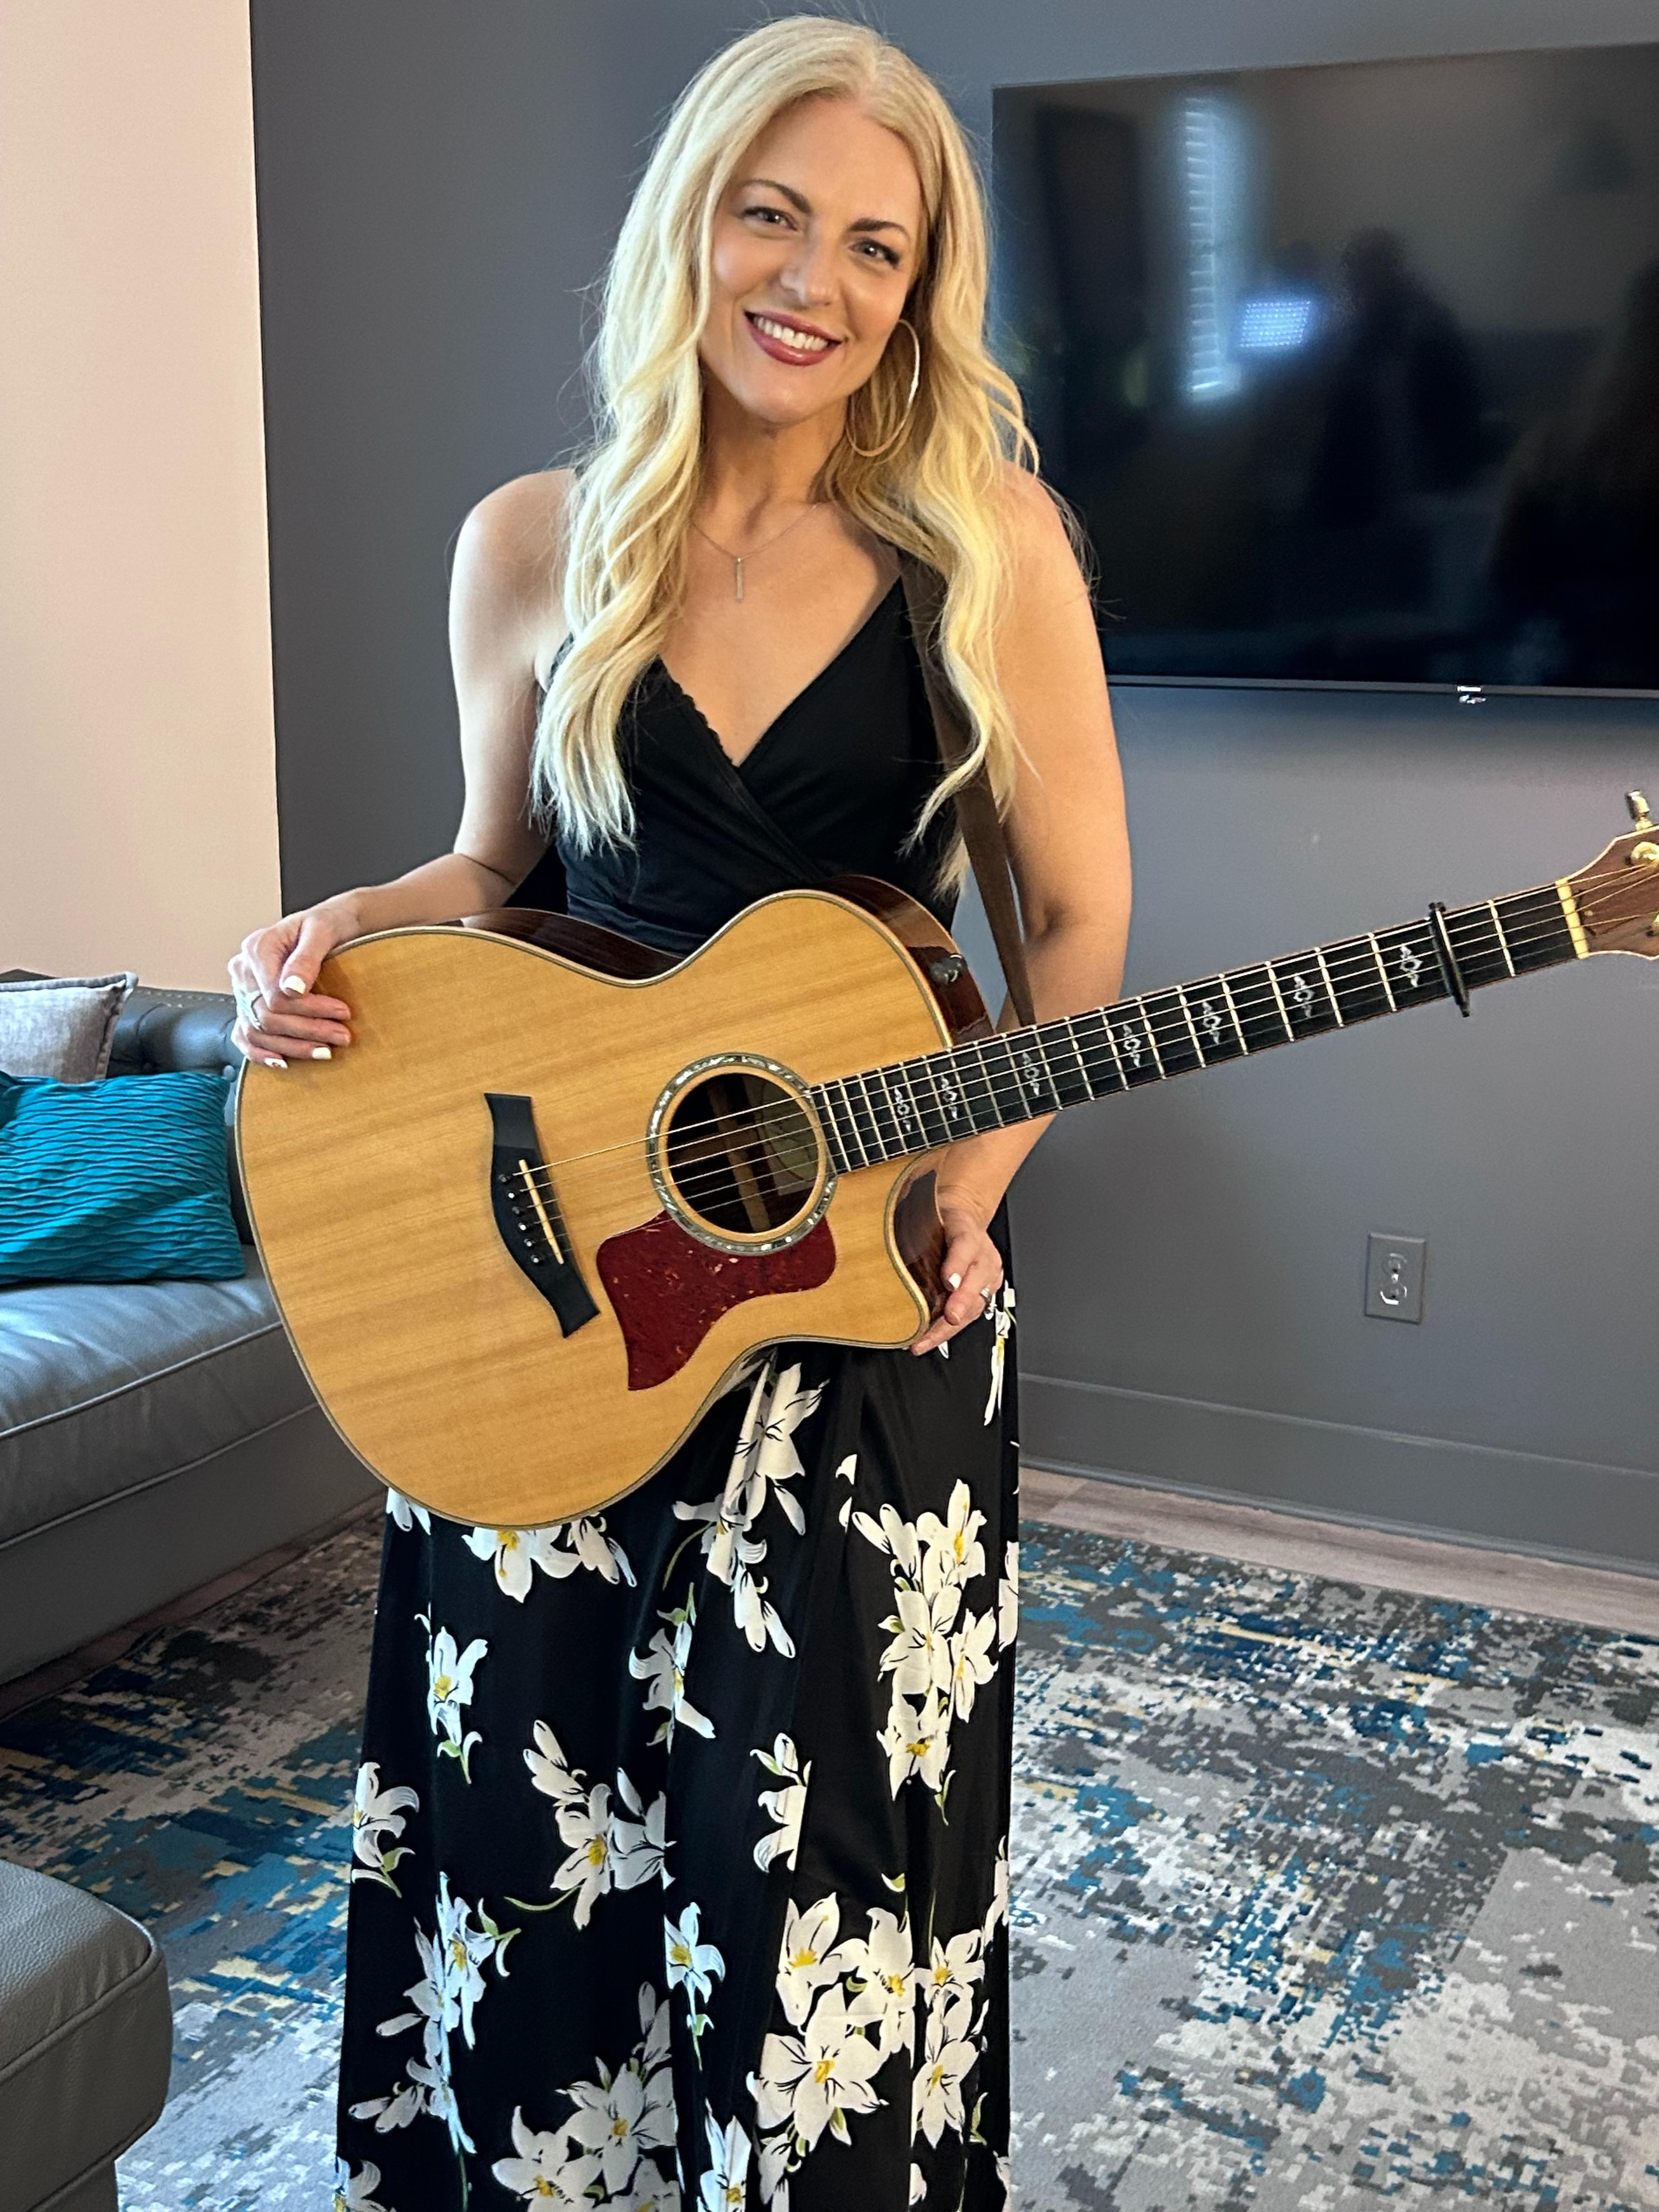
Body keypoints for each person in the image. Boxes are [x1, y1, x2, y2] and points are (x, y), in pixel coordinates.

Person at [229, 19, 1129, 2208]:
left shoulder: (990, 548)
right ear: (689, 225)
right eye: (771, 216)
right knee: (539, 1835)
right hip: (537, 1293)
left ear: (921, 290)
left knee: (814, 1866)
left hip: (855, 1286)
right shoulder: (532, 542)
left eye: (877, 248)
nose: (814, 282)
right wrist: (348, 924)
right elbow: (495, 870)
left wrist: (966, 1197)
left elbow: (1078, 928)